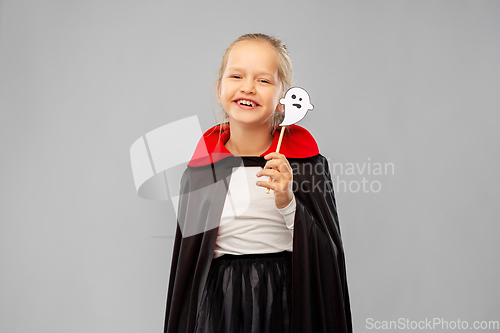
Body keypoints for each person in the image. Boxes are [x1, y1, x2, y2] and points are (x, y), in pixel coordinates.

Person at [164, 33, 352, 333]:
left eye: (263, 81)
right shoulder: (201, 172)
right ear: (219, 88)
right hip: (218, 301)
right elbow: (189, 266)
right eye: (236, 75)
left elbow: (326, 257)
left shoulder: (305, 166)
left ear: (283, 100)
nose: (248, 87)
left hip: (285, 298)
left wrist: (288, 202)